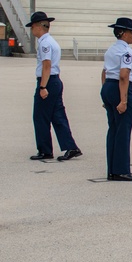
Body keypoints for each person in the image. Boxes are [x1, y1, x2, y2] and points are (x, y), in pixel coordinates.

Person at [28, 11, 82, 162]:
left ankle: (45, 150)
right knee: (57, 116)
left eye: (32, 27)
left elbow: (46, 65)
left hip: (48, 81)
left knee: (40, 116)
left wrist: (42, 87)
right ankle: (70, 147)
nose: (31, 30)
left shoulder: (45, 43)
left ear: (38, 26)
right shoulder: (51, 41)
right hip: (54, 81)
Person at [101, 17, 132, 181]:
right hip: (121, 88)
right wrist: (123, 100)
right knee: (123, 130)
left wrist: (105, 93)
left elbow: (104, 72)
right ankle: (121, 170)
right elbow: (124, 75)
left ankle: (112, 168)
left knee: (114, 129)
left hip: (109, 86)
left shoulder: (111, 50)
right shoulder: (126, 52)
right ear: (124, 33)